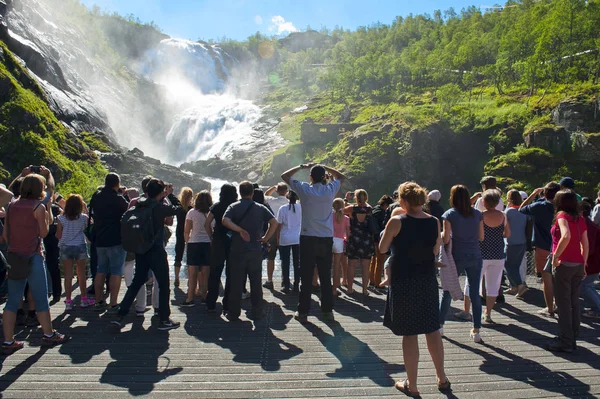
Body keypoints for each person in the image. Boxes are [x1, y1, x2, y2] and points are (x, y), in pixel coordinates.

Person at [379, 182, 450, 397]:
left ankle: (413, 384)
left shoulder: (396, 221)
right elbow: (435, 249)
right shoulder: (434, 222)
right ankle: (442, 377)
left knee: (410, 335)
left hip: (403, 281)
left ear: (403, 201)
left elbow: (382, 248)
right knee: (432, 329)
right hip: (426, 280)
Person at [2, 170, 69, 355]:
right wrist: (47, 208)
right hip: (33, 256)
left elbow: (5, 236)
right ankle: (49, 334)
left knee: (13, 301)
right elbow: (44, 233)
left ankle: (8, 341)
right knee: (40, 299)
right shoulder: (38, 207)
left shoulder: (12, 206)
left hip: (14, 257)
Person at [113, 179, 182, 331]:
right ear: (160, 193)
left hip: (141, 249)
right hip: (156, 250)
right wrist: (170, 195)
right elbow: (178, 208)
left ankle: (120, 315)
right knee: (163, 284)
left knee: (137, 282)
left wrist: (162, 194)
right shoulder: (159, 207)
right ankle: (164, 320)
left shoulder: (140, 203)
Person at [282, 163, 346, 323]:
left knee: (306, 275)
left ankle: (303, 311)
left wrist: (302, 166)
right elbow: (341, 177)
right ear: (324, 177)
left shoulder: (305, 189)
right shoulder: (330, 190)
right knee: (325, 276)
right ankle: (327, 310)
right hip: (325, 238)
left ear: (310, 177)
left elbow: (285, 176)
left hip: (307, 237)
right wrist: (327, 167)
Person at [222, 181, 278, 321]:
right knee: (256, 282)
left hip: (237, 250)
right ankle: (257, 312)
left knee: (236, 282)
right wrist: (265, 238)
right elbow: (274, 223)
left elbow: (225, 220)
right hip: (255, 250)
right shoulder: (260, 208)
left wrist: (239, 230)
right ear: (252, 192)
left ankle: (234, 313)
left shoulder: (233, 207)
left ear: (240, 192)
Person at [440, 185, 484, 343]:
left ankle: (440, 326)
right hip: (475, 254)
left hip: (456, 255)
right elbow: (481, 237)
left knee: (447, 289)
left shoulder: (449, 214)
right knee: (474, 292)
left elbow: (445, 239)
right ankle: (476, 330)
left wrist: (443, 235)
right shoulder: (478, 214)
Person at [547, 190, 588, 353]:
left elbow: (566, 236)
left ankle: (565, 340)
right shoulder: (580, 218)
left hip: (565, 265)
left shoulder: (562, 216)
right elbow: (585, 243)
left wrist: (556, 256)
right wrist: (584, 264)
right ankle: (573, 336)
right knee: (574, 302)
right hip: (578, 264)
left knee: (563, 304)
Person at [464, 190, 510, 324]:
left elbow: (481, 236)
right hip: (498, 255)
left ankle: (466, 311)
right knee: (493, 285)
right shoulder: (504, 215)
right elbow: (507, 234)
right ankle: (488, 313)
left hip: (480, 255)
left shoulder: (480, 216)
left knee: (471, 282)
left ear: (483, 202)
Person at [520, 182, 561, 317]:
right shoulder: (563, 207)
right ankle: (560, 305)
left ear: (545, 193)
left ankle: (549, 308)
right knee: (560, 280)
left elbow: (522, 209)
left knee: (547, 279)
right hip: (560, 247)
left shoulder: (539, 206)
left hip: (543, 247)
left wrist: (533, 194)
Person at [90, 173, 128, 312]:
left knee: (101, 270)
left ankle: (98, 300)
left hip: (99, 238)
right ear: (117, 184)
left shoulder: (96, 196)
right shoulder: (118, 199)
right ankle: (113, 303)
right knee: (116, 271)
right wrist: (122, 194)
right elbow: (127, 211)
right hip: (115, 239)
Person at [56, 194, 93, 310]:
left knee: (68, 275)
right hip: (80, 246)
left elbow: (58, 235)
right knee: (81, 274)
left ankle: (68, 301)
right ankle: (83, 300)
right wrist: (86, 209)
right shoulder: (83, 218)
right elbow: (89, 227)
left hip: (66, 247)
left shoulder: (61, 218)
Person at [205, 184, 237, 314]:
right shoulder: (236, 206)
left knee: (214, 273)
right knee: (231, 273)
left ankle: (211, 302)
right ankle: (227, 304)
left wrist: (211, 237)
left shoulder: (216, 206)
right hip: (233, 242)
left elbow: (207, 223)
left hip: (218, 241)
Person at [181, 190, 213, 307]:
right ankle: (204, 296)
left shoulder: (191, 212)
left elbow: (186, 230)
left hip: (194, 243)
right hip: (207, 244)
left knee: (192, 272)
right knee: (205, 272)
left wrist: (187, 242)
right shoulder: (211, 213)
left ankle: (190, 298)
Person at [344, 189, 375, 295]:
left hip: (354, 239)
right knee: (365, 267)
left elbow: (339, 210)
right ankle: (365, 290)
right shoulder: (369, 209)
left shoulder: (351, 209)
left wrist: (346, 200)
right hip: (366, 240)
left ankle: (349, 289)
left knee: (351, 265)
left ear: (355, 198)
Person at [263, 183, 289, 289]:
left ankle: (269, 280)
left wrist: (273, 187)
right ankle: (285, 280)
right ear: (286, 191)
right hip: (285, 231)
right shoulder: (291, 202)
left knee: (271, 257)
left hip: (272, 231)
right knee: (285, 258)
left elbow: (265, 194)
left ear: (277, 191)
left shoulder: (271, 200)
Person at [504, 189, 529, 299]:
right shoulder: (524, 211)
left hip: (511, 242)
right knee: (515, 265)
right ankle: (514, 287)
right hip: (522, 242)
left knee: (508, 265)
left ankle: (519, 285)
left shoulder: (508, 211)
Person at [276, 190, 302, 293]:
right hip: (297, 238)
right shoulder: (301, 208)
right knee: (297, 262)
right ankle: (296, 284)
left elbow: (279, 225)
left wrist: (277, 238)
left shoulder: (283, 209)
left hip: (285, 238)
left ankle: (286, 285)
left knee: (285, 262)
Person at [580, 202, 600, 319]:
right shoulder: (589, 224)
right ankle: (595, 307)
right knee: (587, 286)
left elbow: (589, 248)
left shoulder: (588, 227)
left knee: (585, 286)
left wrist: (582, 262)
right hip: (593, 261)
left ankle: (598, 309)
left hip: (592, 262)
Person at [369, 195, 393, 288]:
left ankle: (371, 280)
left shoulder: (374, 209)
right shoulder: (382, 212)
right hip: (379, 239)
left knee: (373, 260)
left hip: (372, 238)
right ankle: (378, 282)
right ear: (386, 204)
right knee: (380, 261)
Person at [174, 187, 193, 288]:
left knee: (178, 255)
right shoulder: (192, 209)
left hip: (179, 232)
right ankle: (190, 278)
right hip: (189, 233)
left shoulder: (179, 207)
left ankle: (176, 277)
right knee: (190, 256)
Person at [332, 198, 350, 296]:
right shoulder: (346, 218)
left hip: (329, 240)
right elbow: (348, 234)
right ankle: (335, 288)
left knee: (326, 266)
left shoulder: (329, 216)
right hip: (339, 242)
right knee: (336, 266)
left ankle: (326, 287)